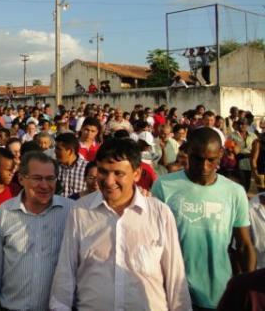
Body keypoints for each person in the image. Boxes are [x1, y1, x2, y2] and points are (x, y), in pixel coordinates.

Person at [49, 138, 191, 311]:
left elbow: (175, 279)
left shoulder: (159, 213)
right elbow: (66, 271)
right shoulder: (80, 211)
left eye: (118, 173)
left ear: (137, 174)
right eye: (103, 172)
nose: (109, 181)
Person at [152, 127, 256, 309]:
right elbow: (152, 241)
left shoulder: (235, 192)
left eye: (211, 160)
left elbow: (244, 246)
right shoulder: (164, 186)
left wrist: (250, 290)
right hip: (174, 294)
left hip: (219, 295)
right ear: (186, 152)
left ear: (221, 154)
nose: (204, 166)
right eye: (198, 159)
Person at [0, 151, 74, 311]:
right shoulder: (5, 212)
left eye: (50, 178)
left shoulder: (71, 212)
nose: (44, 185)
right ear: (21, 179)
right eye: (37, 178)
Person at [54, 133, 88, 197]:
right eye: (55, 148)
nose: (55, 151)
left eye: (59, 149)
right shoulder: (53, 167)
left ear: (70, 151)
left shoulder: (86, 168)